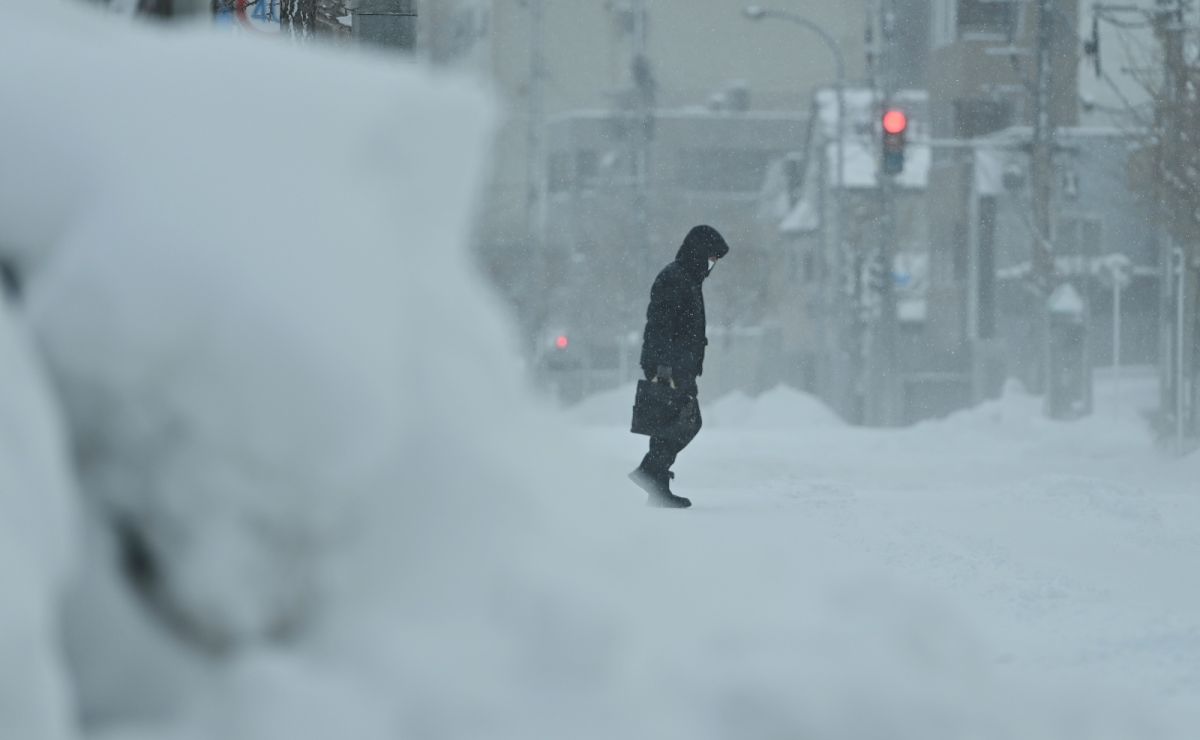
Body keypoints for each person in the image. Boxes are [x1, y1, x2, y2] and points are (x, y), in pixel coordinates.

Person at [629, 224, 729, 508]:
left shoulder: (688, 278)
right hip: (670, 366)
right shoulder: (676, 278)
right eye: (712, 257)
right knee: (686, 421)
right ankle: (651, 472)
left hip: (679, 364)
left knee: (668, 423)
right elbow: (660, 325)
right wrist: (662, 366)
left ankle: (656, 483)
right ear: (699, 252)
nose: (712, 265)